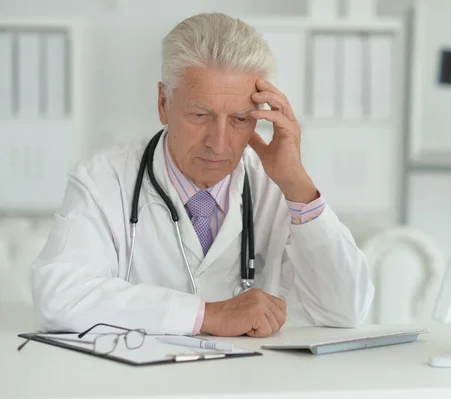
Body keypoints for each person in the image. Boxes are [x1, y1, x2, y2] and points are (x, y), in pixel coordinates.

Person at [32, 12, 374, 338]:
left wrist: (297, 185)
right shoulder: (104, 179)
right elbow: (59, 297)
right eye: (200, 114)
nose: (218, 143)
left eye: (241, 119)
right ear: (164, 104)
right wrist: (206, 315)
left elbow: (346, 310)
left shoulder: (277, 187)